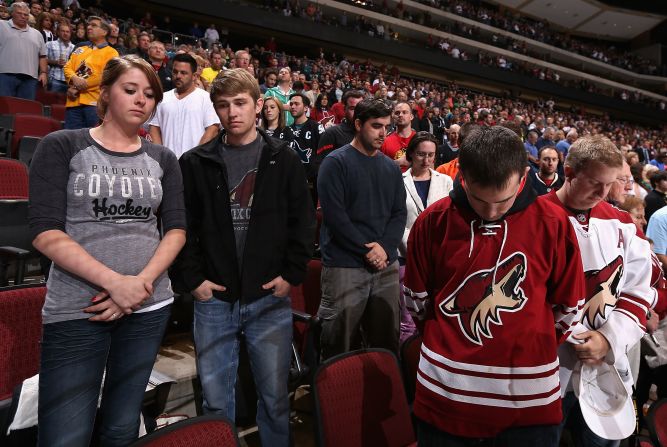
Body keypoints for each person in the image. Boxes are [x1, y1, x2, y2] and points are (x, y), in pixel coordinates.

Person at [29, 55, 186, 447]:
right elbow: (46, 232)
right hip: (79, 306)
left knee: (120, 426)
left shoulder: (163, 158)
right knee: (65, 434)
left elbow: (177, 230)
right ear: (106, 92)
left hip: (148, 306)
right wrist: (116, 284)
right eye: (130, 90)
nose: (141, 101)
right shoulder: (63, 145)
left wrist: (139, 287)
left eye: (149, 94)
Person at [403, 125, 586, 445]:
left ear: (524, 177)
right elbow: (417, 300)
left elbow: (570, 305)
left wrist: (531, 339)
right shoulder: (433, 220)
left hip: (528, 405)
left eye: (502, 201)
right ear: (462, 176)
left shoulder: (555, 223)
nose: (490, 211)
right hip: (446, 397)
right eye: (478, 199)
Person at [176, 68, 315, 447]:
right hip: (214, 297)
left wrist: (292, 274)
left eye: (240, 103)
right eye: (223, 105)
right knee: (216, 400)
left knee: (273, 397)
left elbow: (302, 222)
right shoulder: (195, 161)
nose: (232, 113)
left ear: (258, 106)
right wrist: (194, 281)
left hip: (268, 295)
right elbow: (181, 227)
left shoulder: (282, 158)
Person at [546, 135, 655, 447]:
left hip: (608, 364)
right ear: (569, 172)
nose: (604, 193)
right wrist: (578, 336)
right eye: (595, 182)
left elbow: (638, 289)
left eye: (611, 183)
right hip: (551, 368)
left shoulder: (622, 222)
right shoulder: (535, 218)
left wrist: (608, 337)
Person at [317, 98, 407, 360]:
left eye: (386, 127)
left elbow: (398, 213)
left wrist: (385, 248)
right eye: (376, 126)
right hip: (345, 264)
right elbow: (335, 216)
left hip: (384, 265)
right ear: (358, 124)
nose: (382, 133)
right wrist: (367, 250)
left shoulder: (390, 167)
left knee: (385, 343)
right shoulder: (336, 162)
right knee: (339, 344)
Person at [398, 132, 452, 342]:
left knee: (434, 317)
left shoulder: (446, 181)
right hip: (406, 257)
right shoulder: (399, 181)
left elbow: (450, 219)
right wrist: (416, 246)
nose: (427, 160)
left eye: (431, 155)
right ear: (411, 153)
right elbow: (396, 220)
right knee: (407, 321)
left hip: (438, 259)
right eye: (421, 154)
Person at [149, 53, 220, 158]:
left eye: (183, 73)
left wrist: (196, 156)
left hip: (195, 163)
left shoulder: (206, 98)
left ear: (194, 76)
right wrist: (161, 156)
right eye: (175, 72)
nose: (178, 76)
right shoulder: (162, 98)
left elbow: (212, 129)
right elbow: (154, 128)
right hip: (167, 164)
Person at [64, 16, 119, 129]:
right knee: (69, 140)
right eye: (88, 25)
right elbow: (67, 68)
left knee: (91, 142)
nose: (89, 27)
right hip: (73, 102)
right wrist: (74, 79)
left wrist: (76, 87)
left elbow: (105, 76)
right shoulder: (80, 49)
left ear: (104, 31)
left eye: (93, 25)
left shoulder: (112, 53)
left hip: (94, 103)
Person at [0, 2, 48, 99]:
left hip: (30, 79)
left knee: (25, 108)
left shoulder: (37, 34)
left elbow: (42, 56)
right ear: (12, 13)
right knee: (4, 109)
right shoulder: (1, 25)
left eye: (26, 14)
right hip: (4, 74)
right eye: (19, 13)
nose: (23, 16)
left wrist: (43, 73)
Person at [382, 100, 415, 171]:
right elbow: (378, 168)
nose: (400, 115)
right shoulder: (385, 141)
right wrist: (396, 163)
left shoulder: (420, 140)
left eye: (404, 112)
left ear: (411, 116)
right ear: (393, 117)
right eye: (397, 113)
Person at [45, 21, 74, 93]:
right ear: (58, 32)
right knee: (51, 102)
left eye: (67, 32)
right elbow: (43, 60)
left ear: (70, 34)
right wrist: (55, 62)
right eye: (63, 31)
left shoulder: (75, 48)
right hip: (54, 78)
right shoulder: (50, 44)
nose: (65, 33)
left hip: (70, 81)